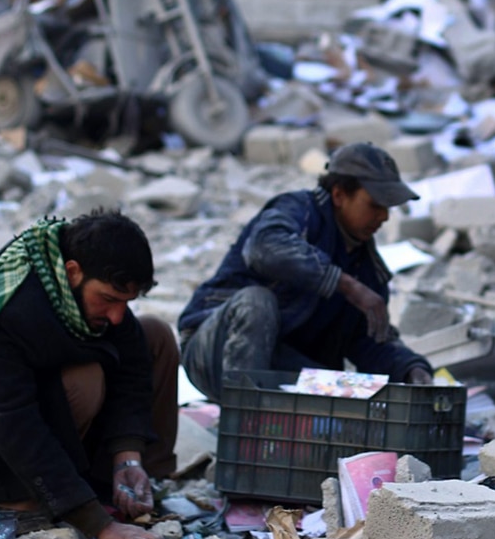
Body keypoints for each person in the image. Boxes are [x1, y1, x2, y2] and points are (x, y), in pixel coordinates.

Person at [0, 210, 178, 539]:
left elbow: (134, 360)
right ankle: (26, 498)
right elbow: (13, 421)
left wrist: (128, 456)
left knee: (155, 334)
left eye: (125, 302)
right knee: (86, 379)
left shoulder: (77, 283)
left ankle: (133, 483)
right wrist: (97, 523)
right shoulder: (9, 308)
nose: (117, 315)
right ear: (73, 272)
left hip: (27, 409)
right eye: (108, 299)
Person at [180, 143, 433, 399]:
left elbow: (370, 342)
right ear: (339, 195)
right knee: (256, 302)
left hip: (281, 362)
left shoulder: (367, 270)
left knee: (344, 393)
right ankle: (246, 420)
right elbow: (262, 247)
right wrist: (344, 284)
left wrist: (410, 368)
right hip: (215, 348)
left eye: (387, 208)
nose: (384, 217)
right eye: (374, 205)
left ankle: (267, 425)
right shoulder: (299, 210)